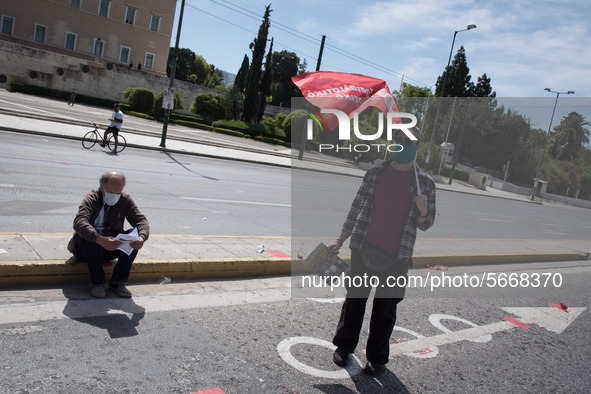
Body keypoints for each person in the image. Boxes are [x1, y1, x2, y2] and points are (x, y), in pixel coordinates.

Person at [328, 126, 436, 376]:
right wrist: (340, 240)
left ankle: (377, 358)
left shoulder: (425, 184)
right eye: (397, 138)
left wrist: (422, 210)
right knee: (355, 300)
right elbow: (356, 209)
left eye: (408, 140)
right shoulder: (375, 173)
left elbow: (427, 223)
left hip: (398, 256)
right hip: (363, 247)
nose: (401, 143)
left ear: (417, 146)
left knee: (385, 309)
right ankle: (344, 346)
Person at [67, 171, 150, 298]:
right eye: (111, 192)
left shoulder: (124, 200)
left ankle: (118, 283)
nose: (115, 196)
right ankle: (98, 284)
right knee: (89, 239)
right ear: (102, 188)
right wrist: (100, 239)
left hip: (111, 246)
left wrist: (141, 237)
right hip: (88, 248)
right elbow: (79, 222)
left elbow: (141, 220)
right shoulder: (92, 198)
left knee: (132, 238)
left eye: (118, 193)